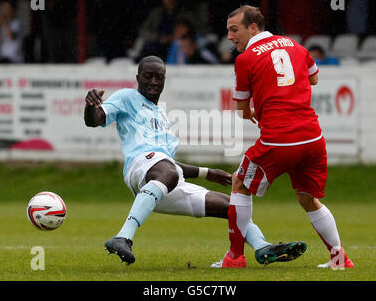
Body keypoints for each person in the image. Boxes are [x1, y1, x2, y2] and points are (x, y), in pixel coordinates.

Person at [84, 55, 307, 266]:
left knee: (233, 207)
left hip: (162, 183)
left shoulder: (161, 115)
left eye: (158, 77)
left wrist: (209, 173)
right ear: (137, 78)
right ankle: (123, 237)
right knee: (167, 171)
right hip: (139, 168)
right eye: (147, 76)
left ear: (164, 80)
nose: (153, 81)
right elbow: (94, 120)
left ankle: (262, 247)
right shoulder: (127, 97)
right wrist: (91, 106)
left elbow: (169, 165)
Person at [212, 5, 354, 269]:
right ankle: (339, 258)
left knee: (240, 183)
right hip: (313, 138)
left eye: (234, 30)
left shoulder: (245, 59)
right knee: (307, 197)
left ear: (253, 28)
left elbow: (243, 111)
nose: (230, 37)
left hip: (280, 139)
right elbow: (313, 79)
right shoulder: (295, 45)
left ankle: (234, 258)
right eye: (228, 31)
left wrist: (257, 107)